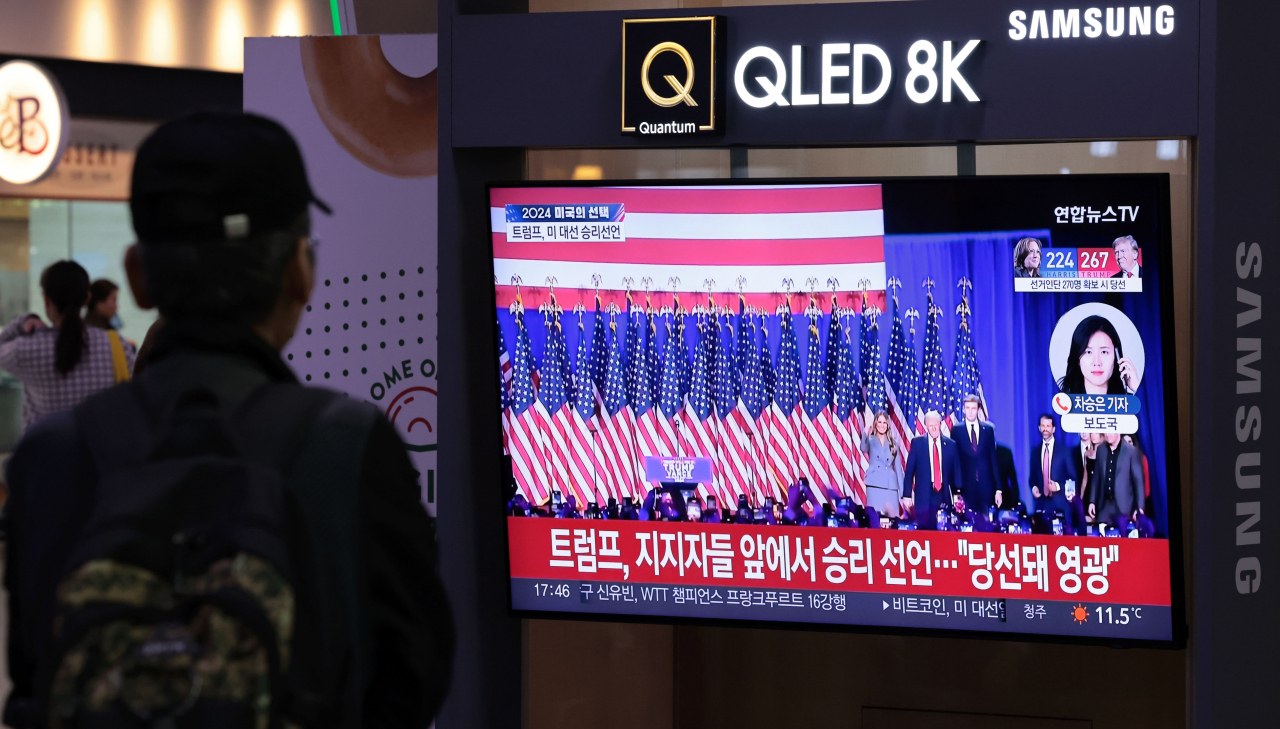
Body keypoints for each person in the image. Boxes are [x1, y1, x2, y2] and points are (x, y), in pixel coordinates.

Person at [3, 112, 453, 728]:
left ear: (137, 277)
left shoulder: (50, 459)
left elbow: (35, 676)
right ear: (300, 271)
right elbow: (414, 677)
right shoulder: (349, 448)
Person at [0, 261, 134, 430]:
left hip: (45, 453)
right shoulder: (115, 343)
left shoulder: (26, 349)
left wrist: (23, 322)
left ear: (46, 299)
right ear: (87, 298)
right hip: (101, 452)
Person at [902, 410, 961, 530]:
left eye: (936, 425)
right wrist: (907, 495)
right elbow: (909, 472)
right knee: (925, 529)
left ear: (940, 424)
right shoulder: (917, 443)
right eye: (930, 426)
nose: (934, 429)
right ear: (926, 426)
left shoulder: (950, 444)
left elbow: (956, 471)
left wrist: (957, 494)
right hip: (924, 494)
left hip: (943, 494)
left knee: (944, 529)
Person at [1056, 314, 1142, 395]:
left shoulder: (1130, 403)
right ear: (1078, 359)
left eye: (1104, 352)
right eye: (1088, 352)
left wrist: (1137, 388)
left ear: (1116, 357)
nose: (1097, 362)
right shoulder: (1063, 403)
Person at [949, 394, 1002, 514]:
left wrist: (999, 489)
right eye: (967, 408)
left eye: (973, 408)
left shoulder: (988, 430)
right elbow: (955, 462)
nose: (970, 412)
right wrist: (956, 490)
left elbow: (993, 460)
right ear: (963, 409)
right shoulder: (956, 430)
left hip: (986, 486)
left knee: (986, 525)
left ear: (978, 410)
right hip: (966, 487)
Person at [1029, 414, 1078, 533]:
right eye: (1043, 426)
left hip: (1060, 506)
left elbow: (1073, 480)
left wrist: (1058, 486)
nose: (1045, 428)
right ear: (1039, 428)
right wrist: (1034, 487)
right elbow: (1032, 478)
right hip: (1042, 507)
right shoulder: (1035, 452)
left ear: (1053, 429)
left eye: (1048, 426)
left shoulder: (1064, 451)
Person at [1089, 432, 1145, 528]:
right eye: (1105, 432)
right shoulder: (1101, 450)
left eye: (1110, 431)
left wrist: (1139, 507)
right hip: (1105, 505)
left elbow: (1138, 482)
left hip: (1124, 506)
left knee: (1123, 540)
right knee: (1101, 537)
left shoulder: (1130, 451)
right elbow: (1096, 479)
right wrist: (1092, 501)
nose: (1107, 434)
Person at [861, 410, 904, 518]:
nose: (882, 425)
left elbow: (898, 469)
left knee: (892, 520)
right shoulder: (870, 440)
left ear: (888, 424)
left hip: (890, 486)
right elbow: (863, 447)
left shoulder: (893, 443)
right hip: (874, 484)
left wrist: (903, 494)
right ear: (875, 423)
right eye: (879, 422)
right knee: (874, 520)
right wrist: (866, 429)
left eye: (884, 423)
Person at [994, 441, 1021, 511]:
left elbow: (1013, 480)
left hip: (1006, 502)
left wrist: (1014, 500)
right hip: (985, 503)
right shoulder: (979, 453)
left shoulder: (1005, 453)